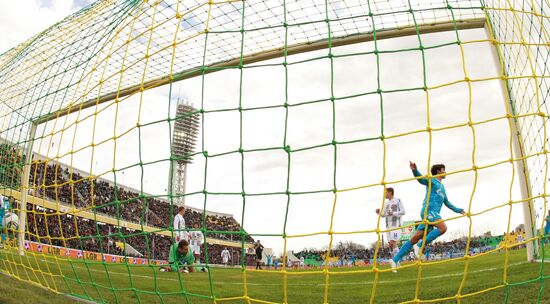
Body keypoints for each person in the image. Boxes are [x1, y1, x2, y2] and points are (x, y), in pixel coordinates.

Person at [390, 162, 465, 272]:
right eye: (444, 170)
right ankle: (420, 246)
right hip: (428, 211)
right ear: (439, 171)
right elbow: (421, 180)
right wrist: (415, 170)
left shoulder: (442, 187)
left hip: (433, 213)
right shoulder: (431, 180)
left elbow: (447, 202)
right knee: (443, 228)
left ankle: (395, 260)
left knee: (414, 238)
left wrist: (459, 210)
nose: (445, 172)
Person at [376, 187, 405, 260]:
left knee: (392, 243)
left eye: (385, 193)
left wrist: (393, 213)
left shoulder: (398, 200)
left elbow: (403, 212)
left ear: (390, 192)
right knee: (391, 245)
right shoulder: (386, 203)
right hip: (388, 226)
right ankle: (397, 260)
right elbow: (383, 215)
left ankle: (396, 261)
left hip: (395, 225)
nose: (384, 195)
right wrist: (379, 213)